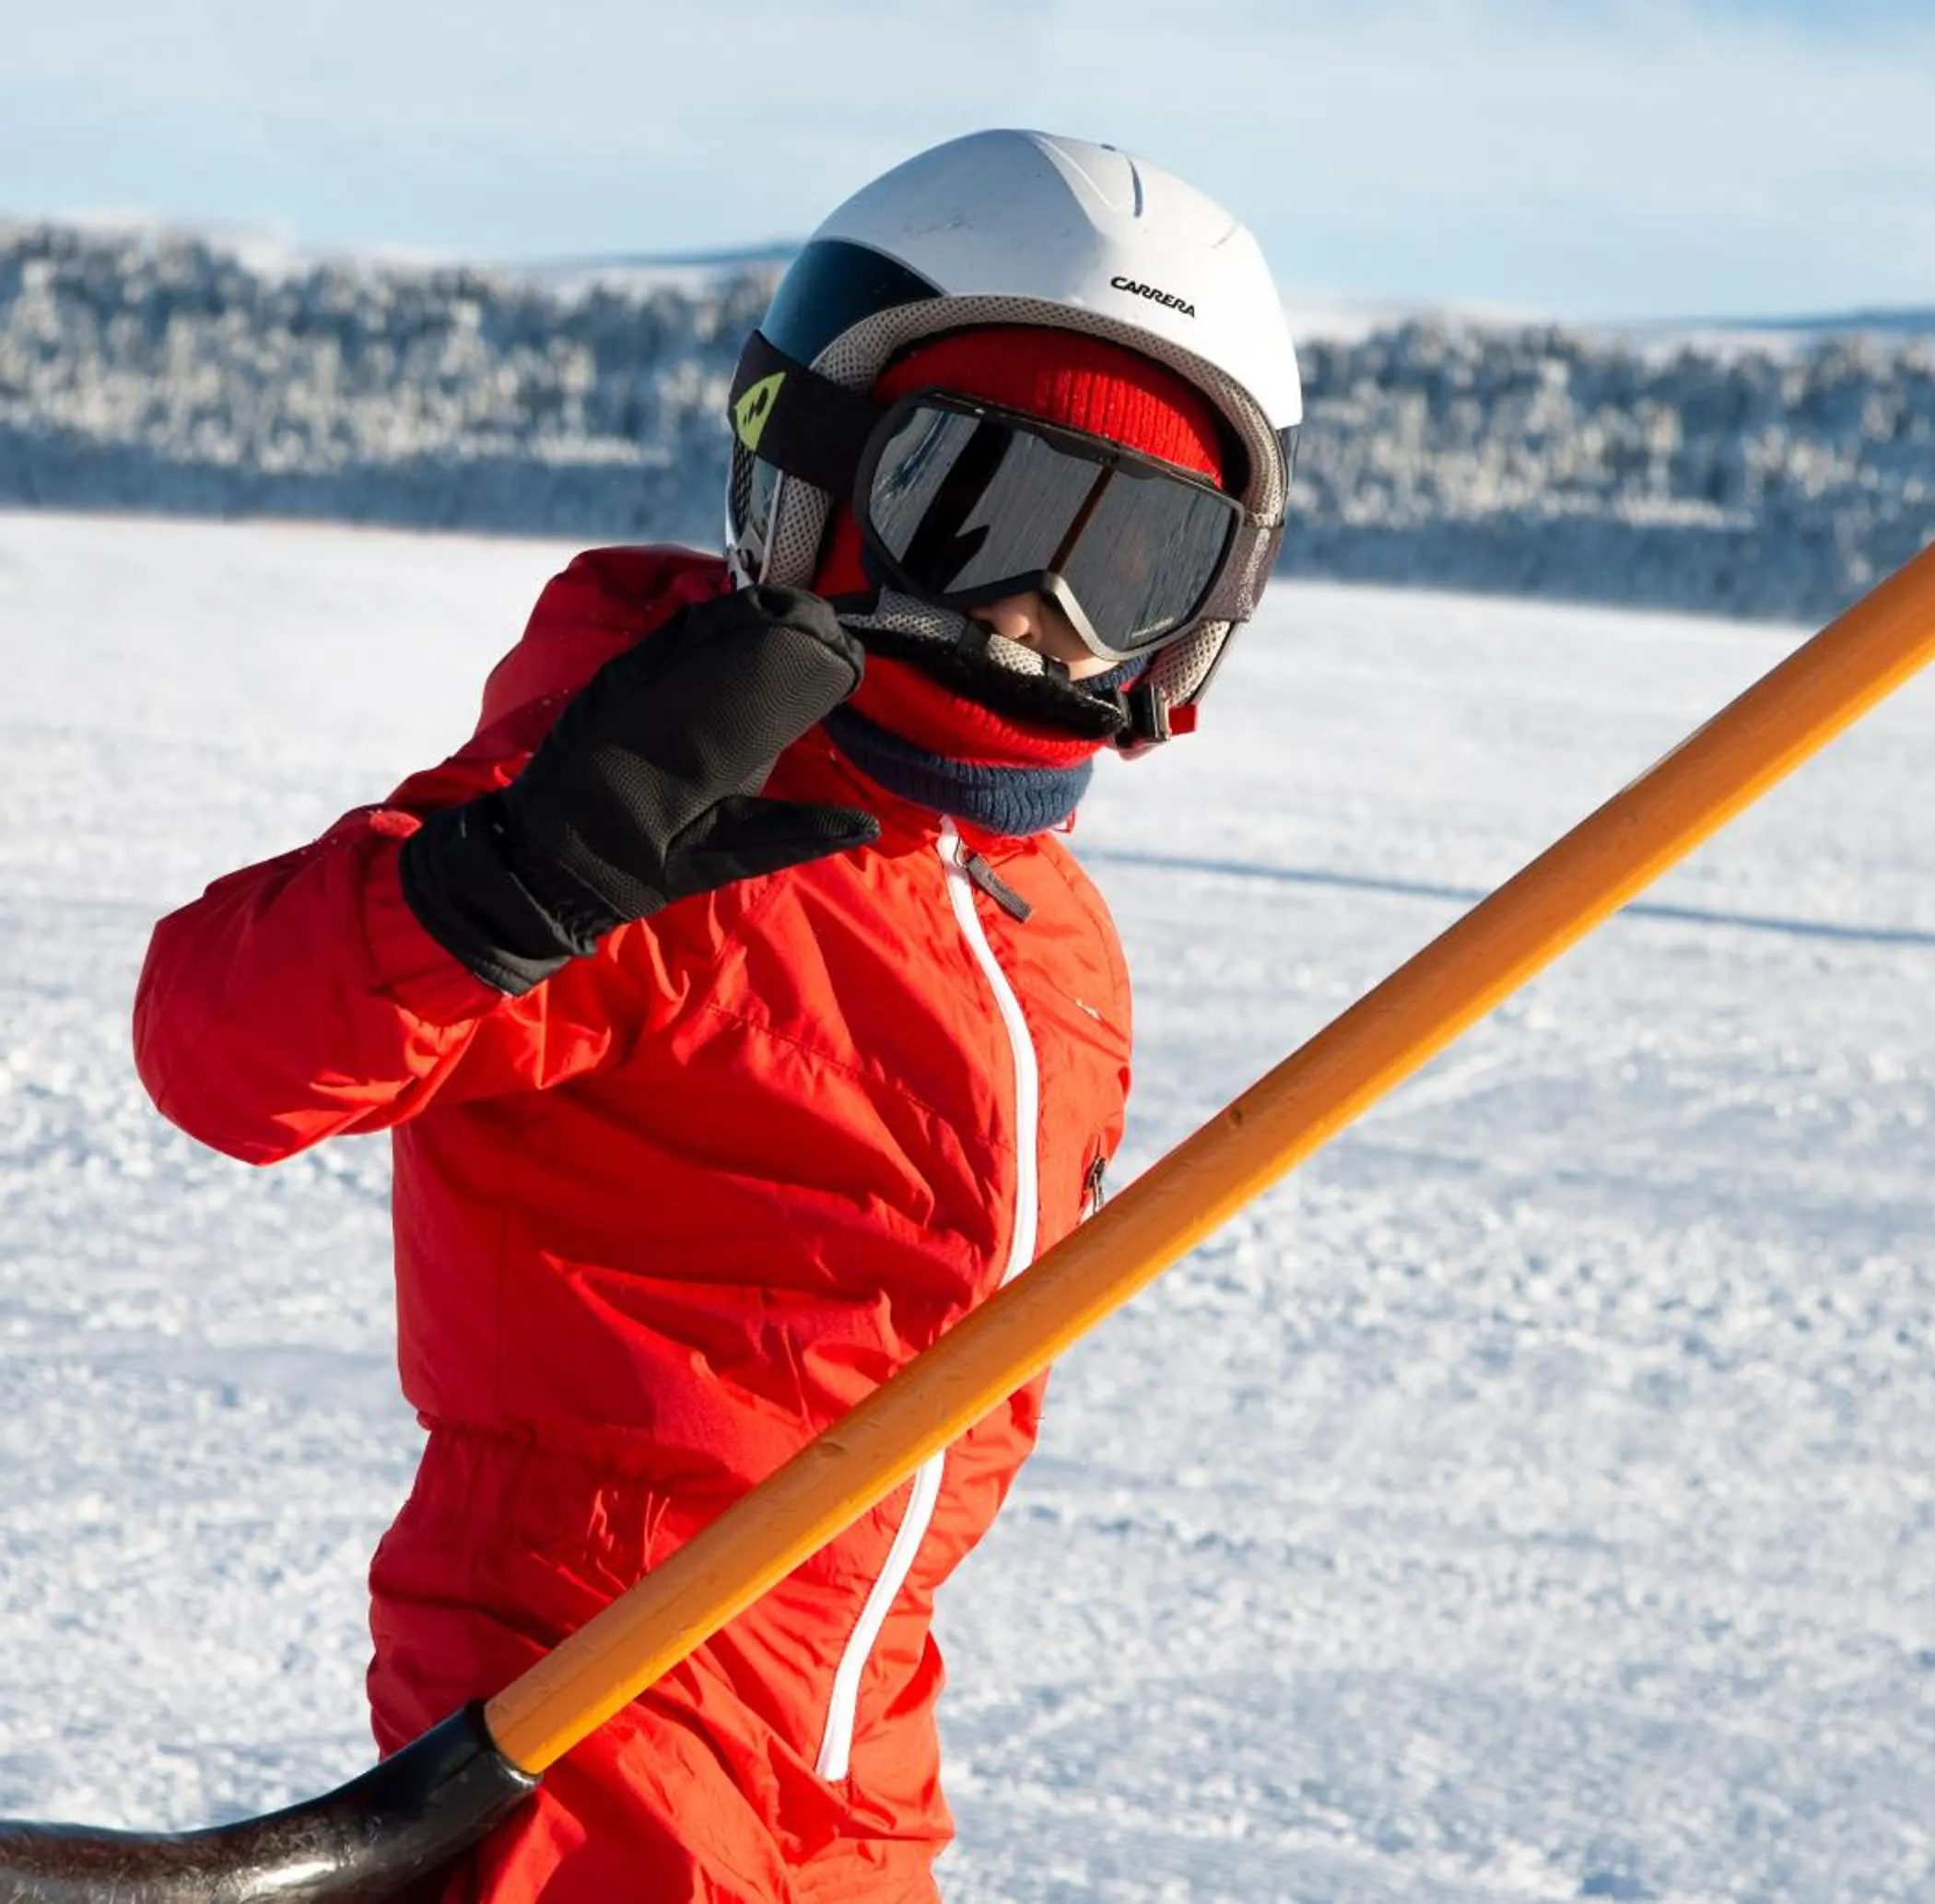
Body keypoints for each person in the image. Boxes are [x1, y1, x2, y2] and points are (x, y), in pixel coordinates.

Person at [130, 128, 1303, 1903]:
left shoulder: (1051, 936)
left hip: (858, 1720)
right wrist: (509, 879)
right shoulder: (656, 823)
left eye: (1125, 559)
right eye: (974, 506)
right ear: (820, 475)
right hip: (590, 1692)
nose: (1035, 614)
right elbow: (223, 1048)